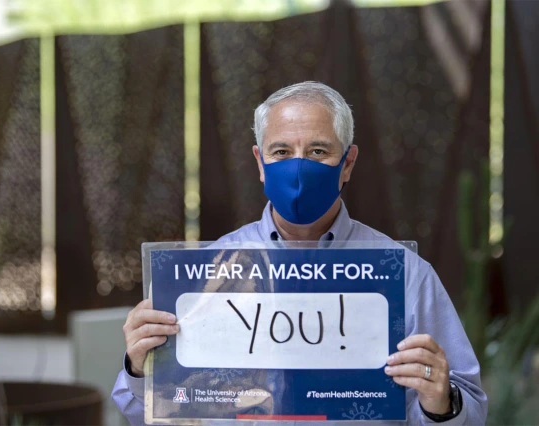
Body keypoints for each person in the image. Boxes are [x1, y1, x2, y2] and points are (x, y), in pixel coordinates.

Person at [112, 82, 487, 425]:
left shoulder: (403, 274)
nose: (297, 168)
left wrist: (442, 401)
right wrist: (140, 367)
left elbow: (470, 407)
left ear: (348, 163)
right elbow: (143, 412)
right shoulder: (206, 273)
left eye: (317, 151)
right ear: (260, 163)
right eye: (282, 151)